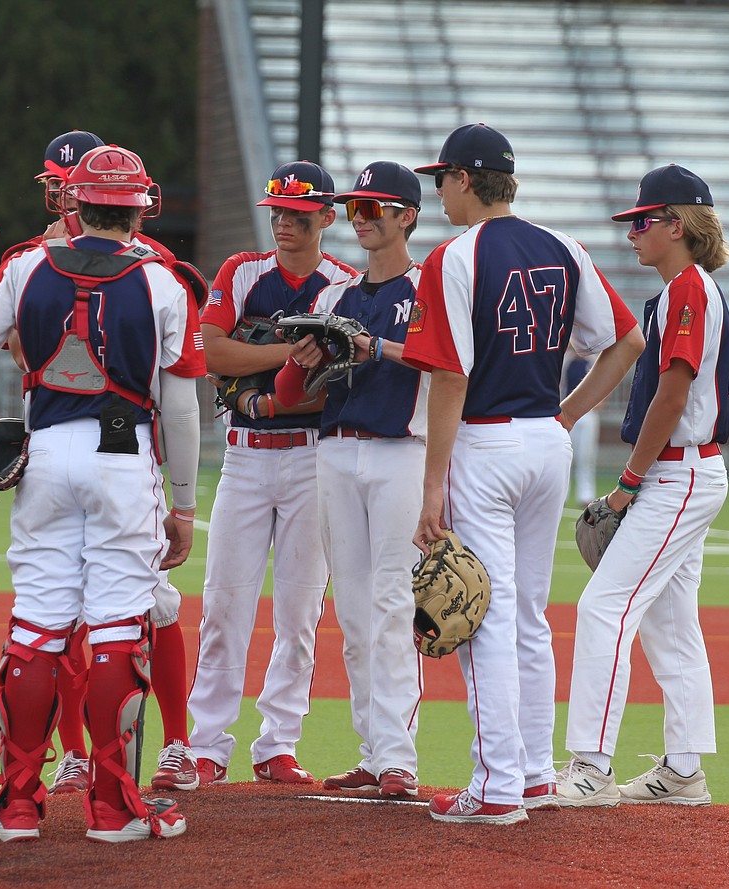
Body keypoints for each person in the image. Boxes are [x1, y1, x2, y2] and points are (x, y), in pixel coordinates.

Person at [0, 144, 205, 843]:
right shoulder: (164, 281)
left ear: (75, 202)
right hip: (124, 455)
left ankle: (16, 805)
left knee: (37, 627)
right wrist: (183, 505)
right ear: (141, 205)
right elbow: (179, 408)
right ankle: (113, 809)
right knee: (117, 626)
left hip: (45, 452)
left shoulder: (22, 268)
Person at [402, 123, 646, 825]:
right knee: (529, 613)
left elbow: (450, 375)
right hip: (546, 438)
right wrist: (566, 415)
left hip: (486, 442)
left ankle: (498, 785)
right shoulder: (564, 246)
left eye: (442, 177)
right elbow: (626, 340)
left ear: (469, 180)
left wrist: (431, 483)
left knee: (482, 613)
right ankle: (535, 773)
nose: (439, 189)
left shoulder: (455, 255)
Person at [13, 131, 200, 797]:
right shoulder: (36, 255)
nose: (51, 189)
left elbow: (176, 375)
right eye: (49, 179)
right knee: (66, 613)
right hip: (102, 449)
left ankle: (177, 743)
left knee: (149, 605)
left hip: (120, 443)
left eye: (59, 179)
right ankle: (77, 756)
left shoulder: (147, 261)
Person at [557, 164, 729, 808]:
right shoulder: (676, 294)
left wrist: (628, 484)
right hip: (684, 470)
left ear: (677, 225)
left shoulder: (689, 290)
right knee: (670, 624)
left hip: (677, 474)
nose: (633, 232)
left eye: (642, 221)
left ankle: (590, 766)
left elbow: (674, 390)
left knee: (605, 606)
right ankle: (683, 771)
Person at [186, 160, 356, 785]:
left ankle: (278, 742)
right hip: (247, 452)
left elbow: (337, 381)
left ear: (326, 218)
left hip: (314, 455)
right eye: (279, 212)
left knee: (299, 609)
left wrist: (270, 387)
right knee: (224, 602)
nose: (285, 223)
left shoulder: (345, 282)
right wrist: (291, 351)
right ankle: (207, 744)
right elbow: (212, 350)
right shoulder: (242, 270)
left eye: (299, 215)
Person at [271, 161, 428, 798]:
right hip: (336, 449)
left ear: (407, 216)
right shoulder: (335, 296)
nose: (363, 219)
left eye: (376, 209)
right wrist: (305, 356)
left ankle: (398, 760)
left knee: (392, 603)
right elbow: (294, 385)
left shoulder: (428, 287)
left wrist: (371, 347)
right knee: (355, 610)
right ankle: (372, 751)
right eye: (357, 208)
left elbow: (441, 362)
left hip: (400, 451)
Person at [563, 350, 601, 505]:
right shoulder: (567, 361)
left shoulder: (593, 361)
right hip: (566, 411)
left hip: (587, 413)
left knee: (586, 456)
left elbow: (602, 384)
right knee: (565, 455)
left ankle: (586, 495)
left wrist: (598, 406)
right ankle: (562, 494)